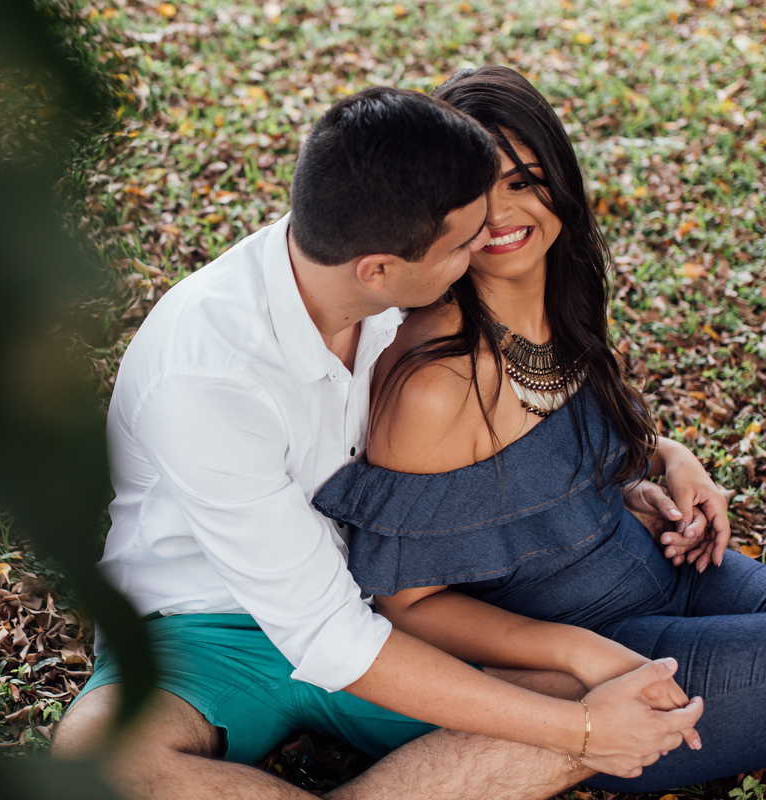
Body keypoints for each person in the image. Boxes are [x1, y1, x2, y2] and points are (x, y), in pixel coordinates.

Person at [53, 85, 709, 800]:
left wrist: (655, 460)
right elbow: (326, 637)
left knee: (601, 686)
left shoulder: (378, 255)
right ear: (379, 269)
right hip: (200, 633)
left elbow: (523, 412)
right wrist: (578, 733)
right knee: (96, 762)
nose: (481, 250)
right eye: (462, 245)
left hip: (381, 613)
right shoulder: (206, 378)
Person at [314, 66, 764, 794]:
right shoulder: (437, 382)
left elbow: (559, 464)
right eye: (475, 195)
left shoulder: (563, 298)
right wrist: (580, 655)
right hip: (605, 658)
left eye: (524, 181)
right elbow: (409, 607)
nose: (501, 216)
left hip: (675, 575)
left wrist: (672, 460)